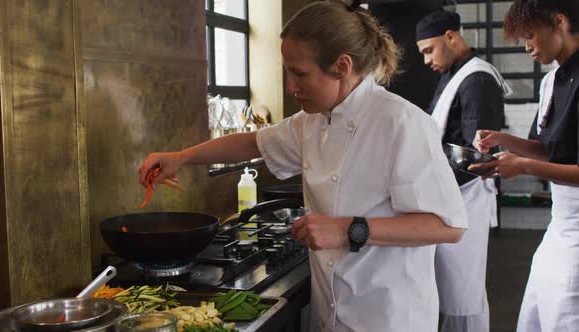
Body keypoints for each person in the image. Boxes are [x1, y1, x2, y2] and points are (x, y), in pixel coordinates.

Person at [139, 1, 468, 331]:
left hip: (389, 316)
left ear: (341, 66)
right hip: (331, 312)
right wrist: (181, 157)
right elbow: (252, 142)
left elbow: (447, 226)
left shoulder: (401, 123)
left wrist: (346, 228)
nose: (290, 87)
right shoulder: (312, 121)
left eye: (299, 73)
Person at [468, 1, 579, 331]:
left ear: (559, 22)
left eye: (530, 34)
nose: (526, 45)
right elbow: (549, 150)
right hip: (559, 225)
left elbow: (540, 163)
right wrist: (503, 139)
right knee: (535, 314)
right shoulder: (551, 82)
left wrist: (525, 168)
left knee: (565, 312)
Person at [415, 11, 512, 332]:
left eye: (429, 50)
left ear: (451, 38)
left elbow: (477, 157)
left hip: (465, 196)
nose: (426, 60)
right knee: (449, 288)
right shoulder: (452, 73)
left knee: (462, 291)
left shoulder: (478, 79)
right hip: (449, 195)